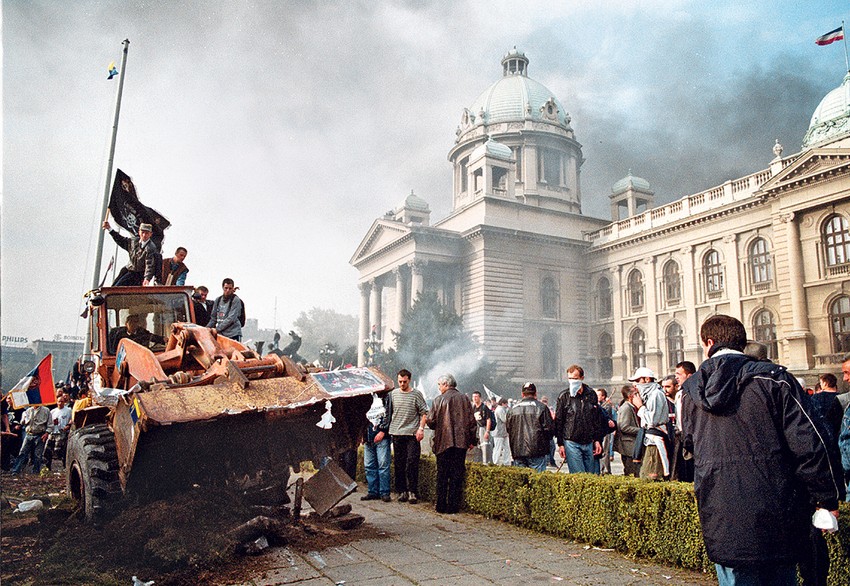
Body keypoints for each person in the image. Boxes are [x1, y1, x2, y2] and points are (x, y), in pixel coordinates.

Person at [681, 314, 843, 586]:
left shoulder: (689, 392)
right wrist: (827, 499)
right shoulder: (775, 379)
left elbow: (688, 445)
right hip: (778, 512)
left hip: (721, 514)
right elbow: (812, 443)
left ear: (708, 343)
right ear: (742, 344)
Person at [426, 374, 477, 514]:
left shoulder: (438, 400)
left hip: (443, 442)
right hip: (461, 443)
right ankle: (453, 506)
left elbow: (430, 421)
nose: (439, 388)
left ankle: (441, 504)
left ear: (446, 384)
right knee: (457, 474)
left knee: (442, 474)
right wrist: (473, 440)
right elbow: (472, 422)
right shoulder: (465, 399)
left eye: (439, 385)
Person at [554, 364, 607, 474]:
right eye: (570, 378)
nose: (572, 381)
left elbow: (596, 419)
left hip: (589, 441)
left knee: (591, 474)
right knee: (578, 474)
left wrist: (597, 440)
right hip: (571, 440)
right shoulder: (564, 396)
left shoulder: (591, 394)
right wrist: (560, 444)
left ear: (582, 378)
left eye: (575, 378)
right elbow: (559, 421)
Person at [388, 369, 428, 503]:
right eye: (400, 381)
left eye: (404, 382)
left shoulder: (416, 394)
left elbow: (424, 412)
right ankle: (402, 491)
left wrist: (421, 429)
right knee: (399, 463)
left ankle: (412, 491)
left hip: (412, 434)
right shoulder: (393, 394)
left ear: (409, 380)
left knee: (412, 462)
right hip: (397, 433)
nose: (402, 384)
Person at [629, 367, 671, 481]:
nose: (636, 385)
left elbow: (652, 420)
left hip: (655, 442)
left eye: (638, 381)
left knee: (650, 476)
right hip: (649, 440)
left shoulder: (656, 394)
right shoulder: (651, 394)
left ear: (647, 379)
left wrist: (640, 407)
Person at [506, 382, 554, 472]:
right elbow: (549, 429)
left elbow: (509, 429)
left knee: (521, 482)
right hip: (537, 450)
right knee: (538, 481)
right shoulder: (542, 407)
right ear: (535, 394)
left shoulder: (512, 409)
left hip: (518, 450)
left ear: (522, 394)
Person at [103, 220, 160, 286]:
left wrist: (147, 278)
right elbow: (121, 240)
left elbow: (149, 265)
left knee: (119, 287)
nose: (144, 235)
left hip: (139, 274)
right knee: (114, 286)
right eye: (143, 232)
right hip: (129, 269)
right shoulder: (133, 241)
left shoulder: (151, 248)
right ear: (139, 232)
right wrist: (109, 229)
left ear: (150, 234)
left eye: (147, 233)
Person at [361, 392, 392, 502]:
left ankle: (384, 492)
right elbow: (360, 416)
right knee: (369, 465)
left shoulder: (386, 396)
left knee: (383, 465)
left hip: (381, 436)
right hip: (368, 436)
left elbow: (388, 414)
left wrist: (383, 431)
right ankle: (372, 491)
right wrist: (361, 434)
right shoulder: (363, 397)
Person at [10, 402, 51, 474]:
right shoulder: (28, 411)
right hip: (29, 434)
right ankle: (16, 470)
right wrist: (24, 417)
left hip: (40, 434)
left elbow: (50, 424)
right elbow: (22, 423)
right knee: (22, 452)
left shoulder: (46, 411)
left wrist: (47, 433)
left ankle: (36, 471)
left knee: (38, 455)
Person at [614, 385, 641, 477]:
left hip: (631, 445)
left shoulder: (630, 407)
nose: (638, 396)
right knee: (631, 472)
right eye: (636, 394)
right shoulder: (626, 408)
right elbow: (624, 427)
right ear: (630, 396)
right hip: (628, 446)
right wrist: (641, 431)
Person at [42, 395, 73, 471]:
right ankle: (47, 466)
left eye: (62, 401)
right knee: (48, 449)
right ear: (56, 402)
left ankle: (65, 467)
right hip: (53, 432)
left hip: (62, 432)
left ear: (64, 402)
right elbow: (48, 421)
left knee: (61, 450)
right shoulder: (52, 411)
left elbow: (72, 419)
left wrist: (68, 425)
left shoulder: (68, 410)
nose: (60, 403)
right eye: (59, 401)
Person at [595, 388, 615, 474]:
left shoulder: (607, 406)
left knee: (605, 451)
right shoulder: (599, 405)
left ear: (603, 396)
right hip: (600, 431)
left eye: (598, 395)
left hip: (606, 431)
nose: (596, 397)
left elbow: (604, 416)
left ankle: (606, 470)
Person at [470, 391, 493, 464]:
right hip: (476, 429)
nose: (475, 398)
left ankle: (486, 462)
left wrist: (487, 431)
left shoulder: (484, 407)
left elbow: (488, 419)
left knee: (485, 446)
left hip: (483, 428)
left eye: (476, 397)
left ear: (480, 398)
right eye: (473, 397)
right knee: (477, 447)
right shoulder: (473, 408)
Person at [491, 397, 512, 465]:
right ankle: (495, 462)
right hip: (498, 432)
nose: (507, 405)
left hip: (504, 432)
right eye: (506, 404)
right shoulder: (500, 410)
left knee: (507, 448)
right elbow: (504, 419)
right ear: (503, 404)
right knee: (498, 448)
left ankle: (507, 462)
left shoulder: (502, 409)